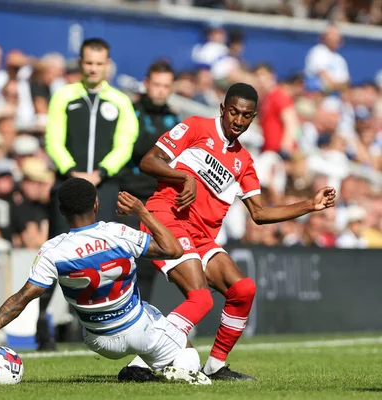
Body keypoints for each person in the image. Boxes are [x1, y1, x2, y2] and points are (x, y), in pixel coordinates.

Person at [118, 83, 336, 381]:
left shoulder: (244, 162)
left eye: (246, 116)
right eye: (233, 112)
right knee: (201, 299)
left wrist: (309, 205)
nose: (238, 120)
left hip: (201, 237)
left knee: (243, 290)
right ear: (223, 109)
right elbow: (148, 161)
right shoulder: (195, 127)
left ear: (253, 117)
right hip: (166, 219)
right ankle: (140, 365)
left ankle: (215, 365)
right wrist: (184, 177)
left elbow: (259, 213)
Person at [0, 178, 211, 385]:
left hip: (98, 340)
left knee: (151, 316)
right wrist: (142, 211)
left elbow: (20, 300)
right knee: (188, 355)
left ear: (62, 211)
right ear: (96, 204)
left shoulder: (52, 250)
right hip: (138, 329)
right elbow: (173, 250)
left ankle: (137, 368)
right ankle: (155, 367)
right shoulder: (116, 232)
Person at [42, 38, 138, 349]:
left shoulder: (120, 101)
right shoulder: (64, 96)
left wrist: (99, 174)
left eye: (99, 63)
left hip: (104, 186)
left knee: (106, 254)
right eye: (88, 63)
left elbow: (126, 142)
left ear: (107, 64)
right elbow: (53, 138)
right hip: (68, 185)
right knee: (56, 252)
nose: (93, 68)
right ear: (80, 63)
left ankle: (110, 328)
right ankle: (42, 327)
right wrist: (73, 171)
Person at [118, 60, 178, 302]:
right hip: (128, 196)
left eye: (166, 86)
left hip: (157, 199)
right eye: (156, 85)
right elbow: (140, 148)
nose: (161, 90)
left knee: (150, 262)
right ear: (146, 84)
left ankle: (142, 316)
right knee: (124, 261)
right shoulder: (131, 112)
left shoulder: (173, 117)